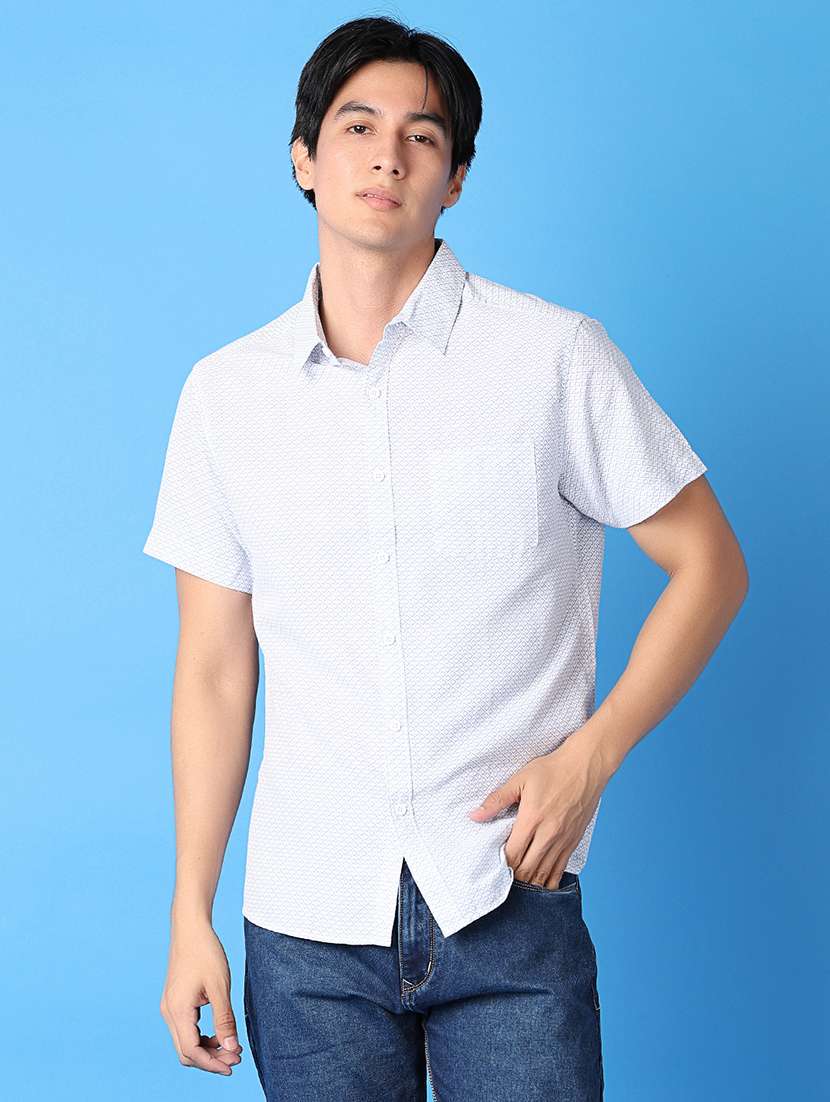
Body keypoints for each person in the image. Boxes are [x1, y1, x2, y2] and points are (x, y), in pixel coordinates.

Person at [143, 15, 748, 1100]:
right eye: (357, 126)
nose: (387, 155)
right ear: (303, 157)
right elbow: (214, 669)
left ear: (456, 178)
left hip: (504, 897)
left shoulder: (552, 356)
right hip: (307, 922)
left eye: (421, 136)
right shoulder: (224, 397)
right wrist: (191, 910)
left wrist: (591, 755)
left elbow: (711, 563)